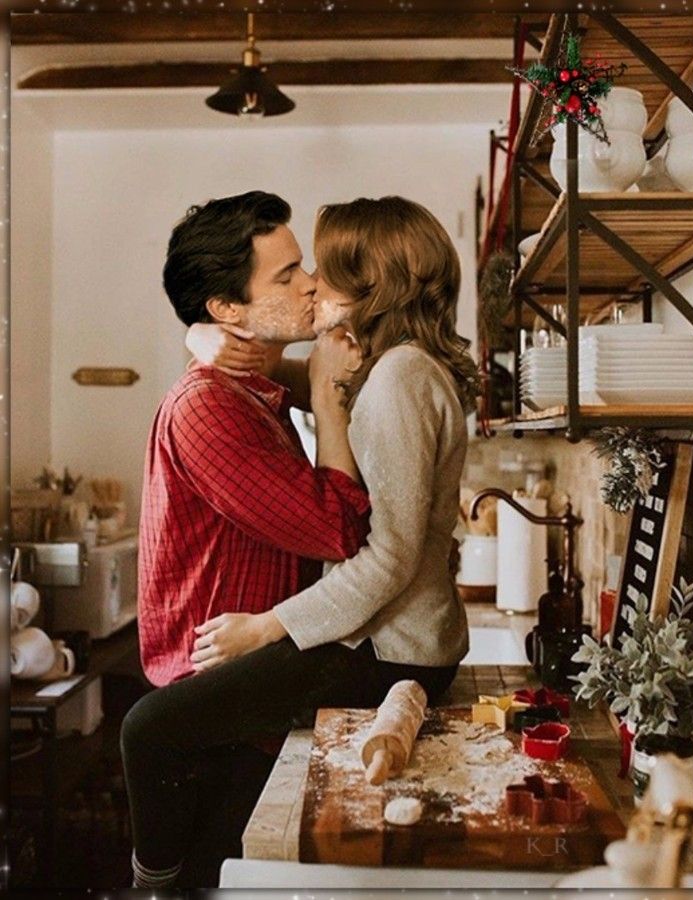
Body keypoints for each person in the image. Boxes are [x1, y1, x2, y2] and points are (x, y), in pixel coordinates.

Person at [121, 194, 479, 889]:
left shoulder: (396, 377)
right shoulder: (389, 372)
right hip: (353, 638)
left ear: (373, 282)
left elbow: (369, 544)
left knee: (155, 746)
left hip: (380, 640)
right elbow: (272, 383)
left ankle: (153, 886)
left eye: (320, 267)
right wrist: (200, 336)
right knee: (216, 835)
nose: (312, 283)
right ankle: (168, 881)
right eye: (290, 273)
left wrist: (267, 628)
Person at [138, 191, 371, 689]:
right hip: (211, 691)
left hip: (250, 675)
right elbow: (340, 529)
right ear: (226, 308)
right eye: (286, 276)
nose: (312, 284)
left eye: (302, 267)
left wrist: (198, 333)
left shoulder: (255, 385)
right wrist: (328, 400)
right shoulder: (208, 407)